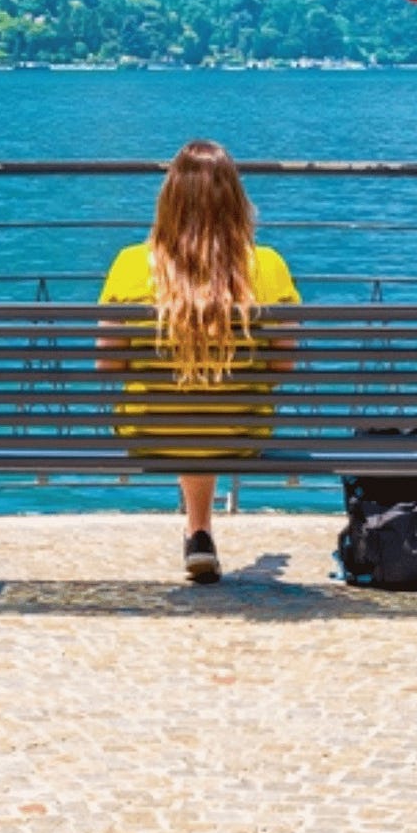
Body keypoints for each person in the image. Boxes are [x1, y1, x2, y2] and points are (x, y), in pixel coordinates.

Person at [98, 139, 300, 584]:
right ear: (236, 200)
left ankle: (198, 529)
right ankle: (199, 529)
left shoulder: (132, 263)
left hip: (149, 432)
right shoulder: (267, 266)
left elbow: (107, 365)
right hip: (240, 433)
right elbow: (286, 366)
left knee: (185, 405)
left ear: (168, 199)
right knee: (211, 406)